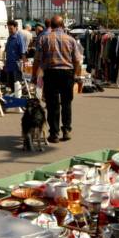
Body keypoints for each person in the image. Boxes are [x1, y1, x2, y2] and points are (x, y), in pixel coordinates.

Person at [32, 15, 82, 143]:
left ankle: (54, 134)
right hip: (67, 74)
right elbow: (77, 60)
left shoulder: (43, 38)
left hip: (51, 74)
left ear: (51, 26)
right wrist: (75, 75)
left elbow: (37, 60)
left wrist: (34, 75)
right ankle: (66, 130)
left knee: (52, 105)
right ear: (62, 25)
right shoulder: (70, 40)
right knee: (66, 103)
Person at [4, 20, 26, 91]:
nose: (9, 30)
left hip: (16, 67)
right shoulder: (9, 38)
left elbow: (23, 52)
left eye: (11, 29)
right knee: (10, 86)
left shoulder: (19, 37)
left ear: (16, 27)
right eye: (8, 29)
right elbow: (6, 51)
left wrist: (23, 65)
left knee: (17, 86)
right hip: (9, 66)